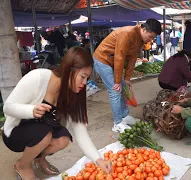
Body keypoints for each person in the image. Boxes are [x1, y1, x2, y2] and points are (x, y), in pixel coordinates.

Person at [2, 47, 112, 180]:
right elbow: (7, 107)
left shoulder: (73, 94)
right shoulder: (38, 78)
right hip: (16, 132)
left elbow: (81, 132)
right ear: (69, 70)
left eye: (87, 78)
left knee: (63, 139)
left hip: (42, 132)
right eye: (83, 77)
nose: (85, 83)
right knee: (44, 135)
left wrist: (98, 160)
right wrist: (31, 111)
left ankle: (39, 158)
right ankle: (22, 165)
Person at [93, 18, 161, 133]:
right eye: (150, 36)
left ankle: (124, 115)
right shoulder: (127, 33)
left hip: (113, 61)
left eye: (153, 38)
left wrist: (127, 78)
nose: (151, 40)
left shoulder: (140, 39)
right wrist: (118, 81)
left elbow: (132, 57)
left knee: (123, 87)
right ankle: (117, 123)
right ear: (144, 29)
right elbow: (119, 57)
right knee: (115, 90)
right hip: (102, 60)